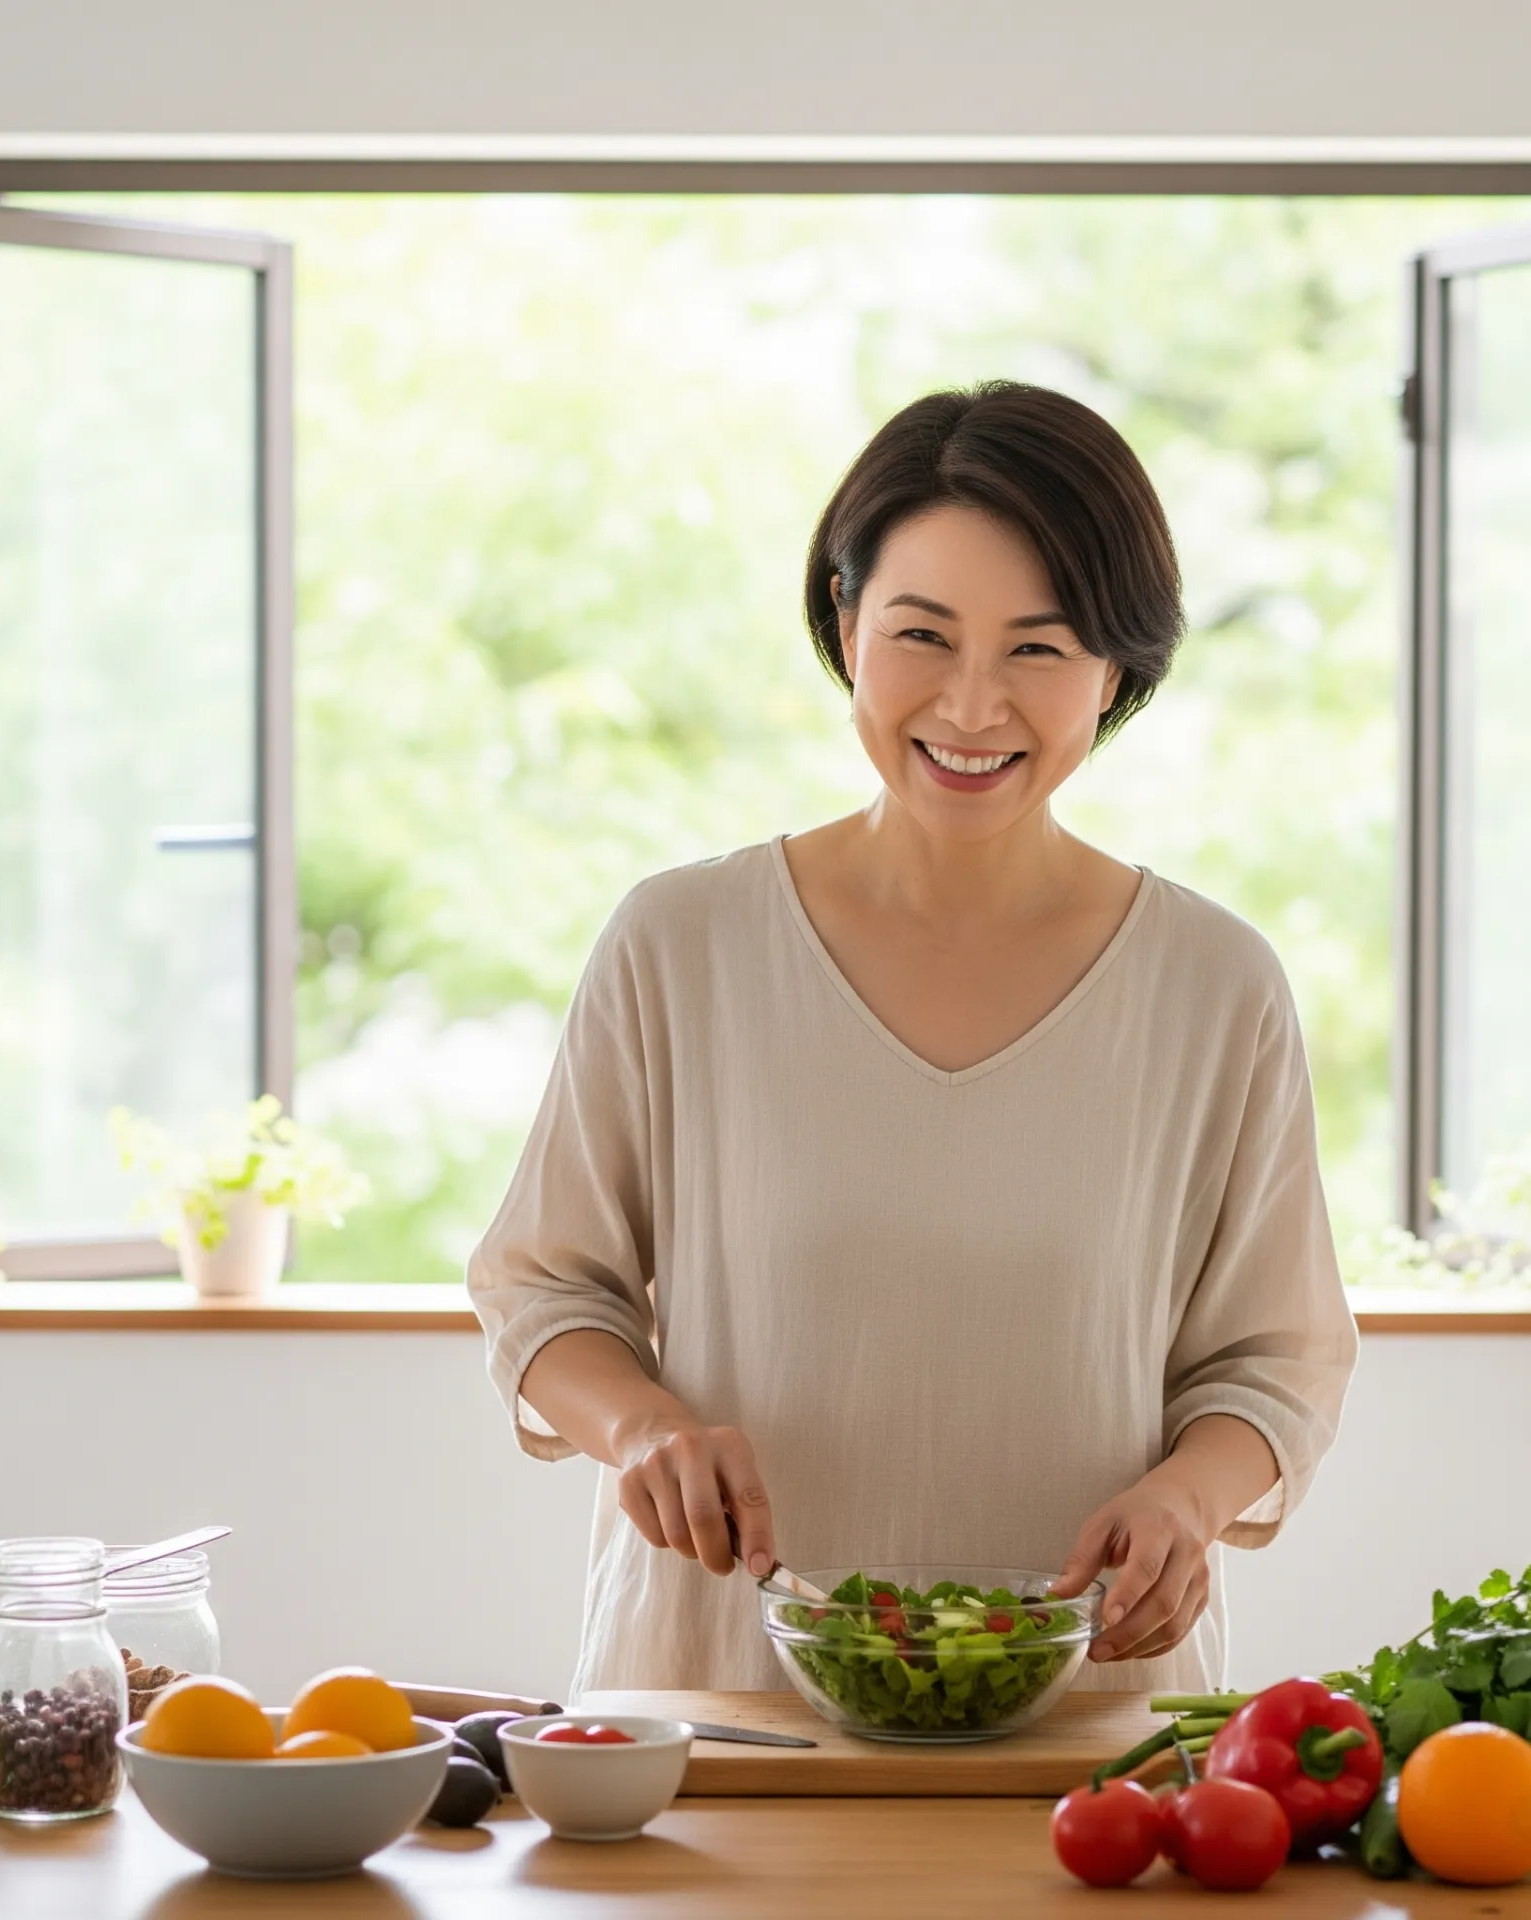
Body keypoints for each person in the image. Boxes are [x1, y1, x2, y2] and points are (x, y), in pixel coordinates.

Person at [467, 380, 1358, 1698]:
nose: (972, 705)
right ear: (846, 623)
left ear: (1119, 668)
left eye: (1040, 650)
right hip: (724, 1714)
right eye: (923, 635)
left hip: (1088, 1730)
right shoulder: (680, 945)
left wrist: (1188, 1497)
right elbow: (545, 1291)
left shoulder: (1216, 987)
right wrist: (644, 1428)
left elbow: (1272, 1360)